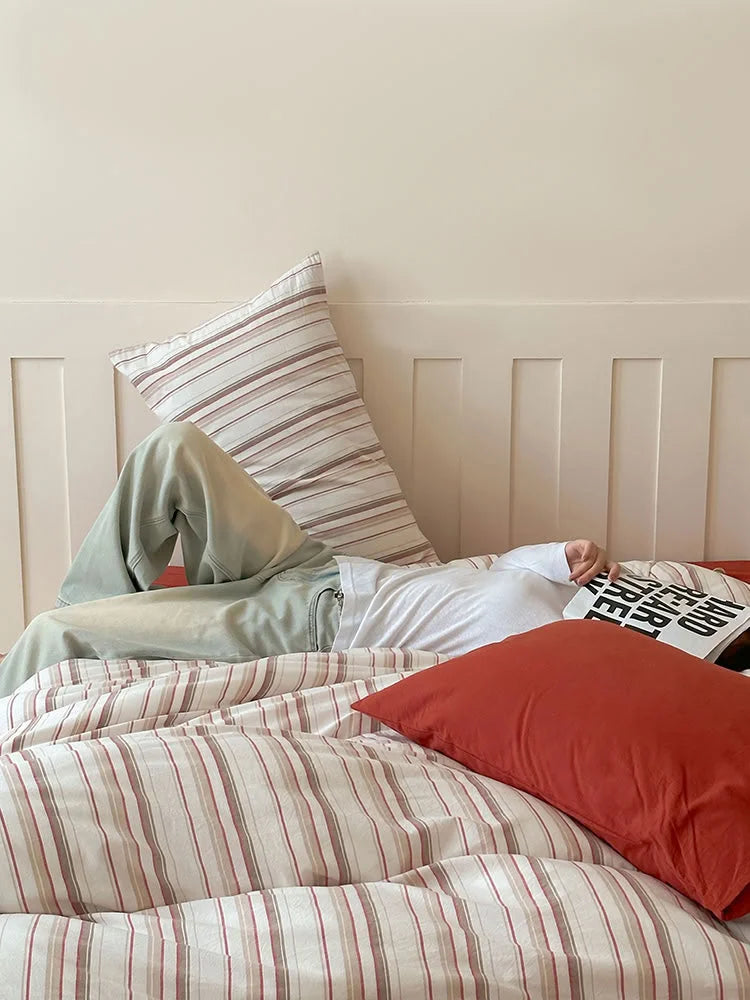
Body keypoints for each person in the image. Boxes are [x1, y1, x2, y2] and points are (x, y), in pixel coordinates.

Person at [0, 423, 743, 697]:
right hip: (319, 564)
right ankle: (93, 622)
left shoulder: (580, 667)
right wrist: (560, 554)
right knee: (174, 450)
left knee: (47, 637)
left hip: (309, 624)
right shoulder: (584, 593)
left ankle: (60, 657)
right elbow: (479, 571)